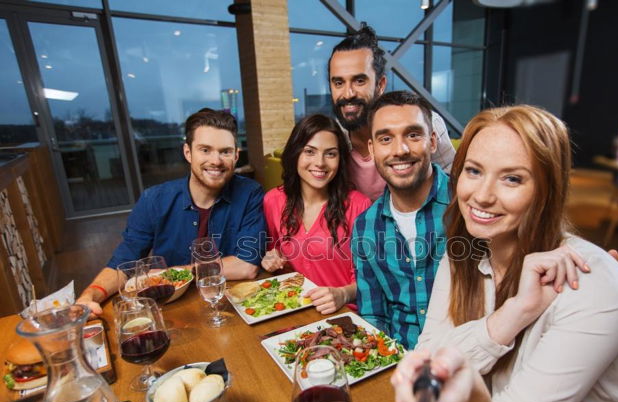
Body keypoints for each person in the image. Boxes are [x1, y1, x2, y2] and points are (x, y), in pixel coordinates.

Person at [391, 104, 618, 402]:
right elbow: (430, 356)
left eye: (512, 178)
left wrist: (462, 390)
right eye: (474, 170)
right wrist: (514, 313)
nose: (482, 195)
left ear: (546, 190)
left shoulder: (588, 281)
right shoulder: (463, 254)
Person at [352, 91, 618, 350]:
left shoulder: (474, 205)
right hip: (409, 364)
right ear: (372, 149)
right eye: (386, 138)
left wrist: (604, 275)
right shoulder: (366, 226)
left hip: (484, 363)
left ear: (432, 141)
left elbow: (540, 236)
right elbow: (373, 314)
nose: (400, 149)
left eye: (413, 134)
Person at [77, 108, 266, 316]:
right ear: (188, 152)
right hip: (173, 309)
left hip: (229, 306)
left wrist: (174, 273)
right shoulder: (154, 200)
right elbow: (123, 265)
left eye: (225, 151)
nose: (216, 160)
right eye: (205, 150)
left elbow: (246, 266)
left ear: (236, 156)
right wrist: (90, 296)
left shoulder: (250, 193)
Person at [328, 24, 456, 201]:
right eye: (338, 83)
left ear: (380, 84)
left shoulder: (425, 123)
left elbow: (455, 183)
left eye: (359, 81)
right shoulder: (332, 139)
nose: (348, 93)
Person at [261, 114, 370, 314]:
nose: (320, 163)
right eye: (309, 152)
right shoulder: (272, 200)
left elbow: (369, 280)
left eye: (330, 154)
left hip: (342, 315)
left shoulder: (359, 205)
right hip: (291, 313)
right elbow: (273, 252)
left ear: (340, 159)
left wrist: (343, 294)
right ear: (295, 154)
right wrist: (270, 258)